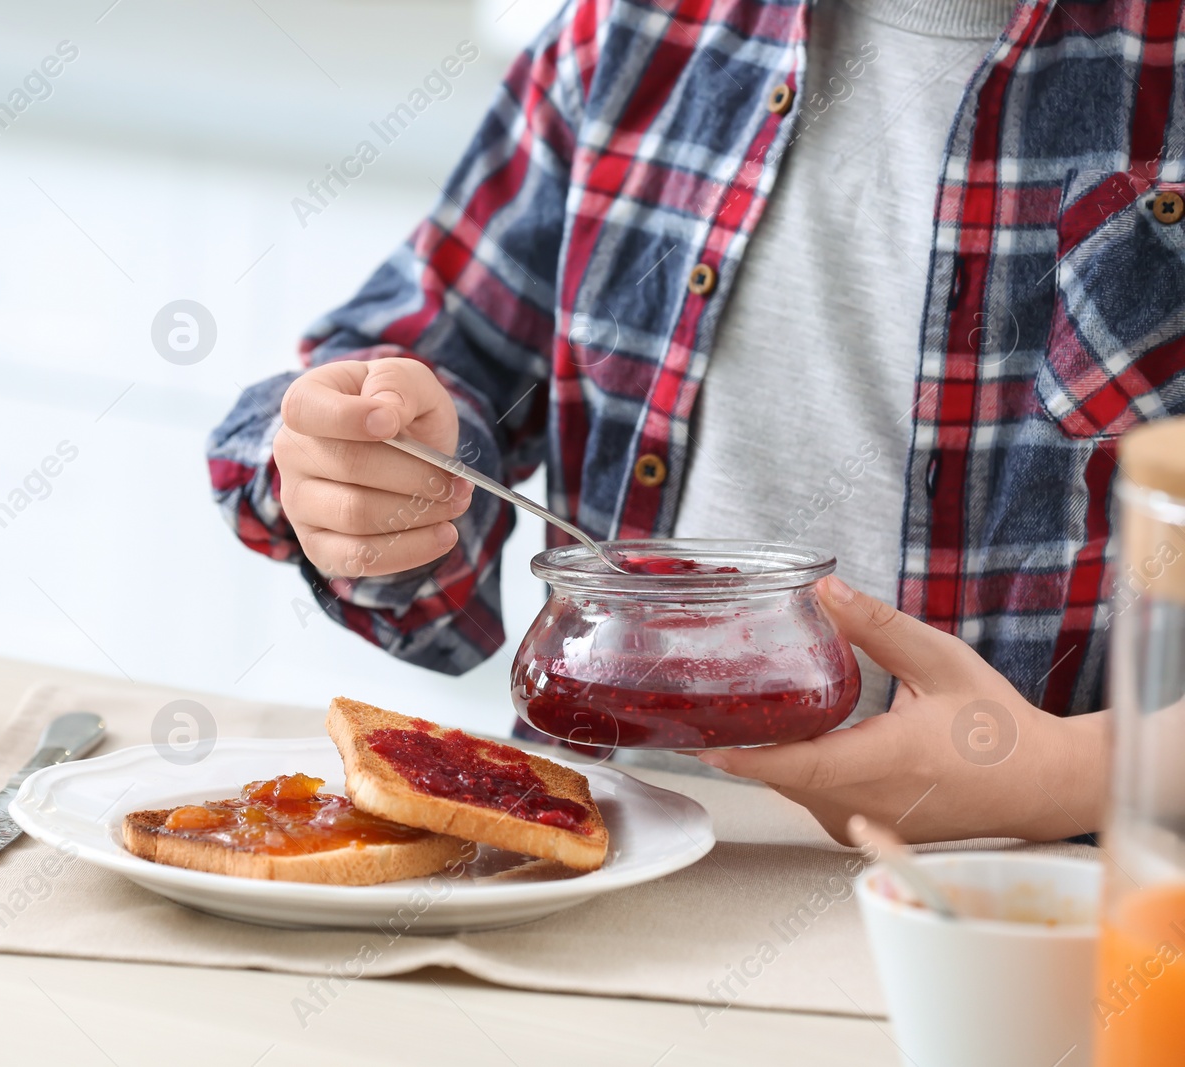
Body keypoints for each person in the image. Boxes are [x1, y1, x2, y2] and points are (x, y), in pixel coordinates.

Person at [208, 0, 1184, 843]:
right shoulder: (635, 31)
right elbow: (422, 365)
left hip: (1055, 918)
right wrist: (365, 465)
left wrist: (1061, 771)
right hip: (596, 852)